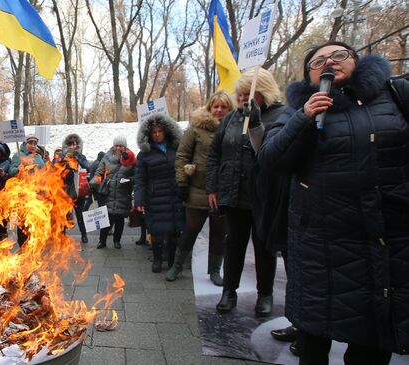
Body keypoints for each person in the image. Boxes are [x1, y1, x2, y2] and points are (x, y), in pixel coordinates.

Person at [258, 41, 409, 364]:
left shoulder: (395, 97)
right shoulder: (298, 111)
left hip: (384, 240)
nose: (329, 62)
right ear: (310, 76)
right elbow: (272, 160)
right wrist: (304, 118)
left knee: (372, 338)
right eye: (318, 60)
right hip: (320, 245)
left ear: (357, 61)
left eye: (339, 55)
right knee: (314, 338)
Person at [206, 68, 285, 317]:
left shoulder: (281, 115)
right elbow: (215, 155)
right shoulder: (231, 119)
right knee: (234, 244)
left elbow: (276, 153)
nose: (241, 99)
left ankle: (265, 294)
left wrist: (257, 123)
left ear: (262, 91)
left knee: (264, 247)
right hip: (233, 193)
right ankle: (229, 292)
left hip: (264, 195)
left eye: (246, 94)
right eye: (239, 94)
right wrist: (214, 187)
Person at [168, 91, 235, 284]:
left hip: (224, 191)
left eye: (223, 106)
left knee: (219, 232)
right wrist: (182, 182)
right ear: (209, 107)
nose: (219, 110)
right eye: (216, 106)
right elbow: (182, 156)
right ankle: (177, 266)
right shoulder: (196, 128)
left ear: (229, 108)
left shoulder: (236, 127)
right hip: (198, 189)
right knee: (190, 230)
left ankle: (214, 270)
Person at [134, 113, 184, 273]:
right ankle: (157, 260)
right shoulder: (144, 154)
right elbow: (140, 179)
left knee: (175, 231)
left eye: (159, 131)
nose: (157, 135)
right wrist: (139, 200)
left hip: (174, 195)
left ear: (166, 131)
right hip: (155, 197)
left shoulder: (176, 149)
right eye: (153, 132)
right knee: (156, 232)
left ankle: (171, 261)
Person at [90, 136, 135, 249]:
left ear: (125, 147)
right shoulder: (107, 157)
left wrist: (130, 181)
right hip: (108, 192)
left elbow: (136, 174)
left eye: (121, 146)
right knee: (106, 219)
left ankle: (117, 241)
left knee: (120, 219)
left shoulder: (131, 158)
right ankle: (102, 241)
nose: (118, 148)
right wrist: (93, 183)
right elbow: (99, 171)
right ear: (113, 146)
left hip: (123, 193)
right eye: (116, 146)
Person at [60, 133, 90, 244]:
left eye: (75, 144)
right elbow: (56, 169)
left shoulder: (81, 156)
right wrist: (65, 160)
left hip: (78, 191)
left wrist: (77, 157)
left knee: (80, 214)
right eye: (71, 144)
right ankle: (62, 235)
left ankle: (84, 235)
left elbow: (88, 166)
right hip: (65, 192)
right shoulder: (63, 156)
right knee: (63, 215)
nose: (73, 146)